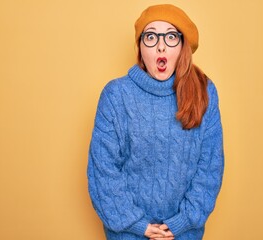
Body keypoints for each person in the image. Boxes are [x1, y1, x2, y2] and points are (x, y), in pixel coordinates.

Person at [87, 4, 224, 240]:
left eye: (171, 36)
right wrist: (136, 224)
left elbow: (210, 167)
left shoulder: (204, 92)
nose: (161, 45)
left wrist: (182, 222)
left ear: (183, 47)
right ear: (140, 47)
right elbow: (104, 171)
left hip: (184, 234)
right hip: (127, 233)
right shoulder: (116, 95)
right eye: (151, 36)